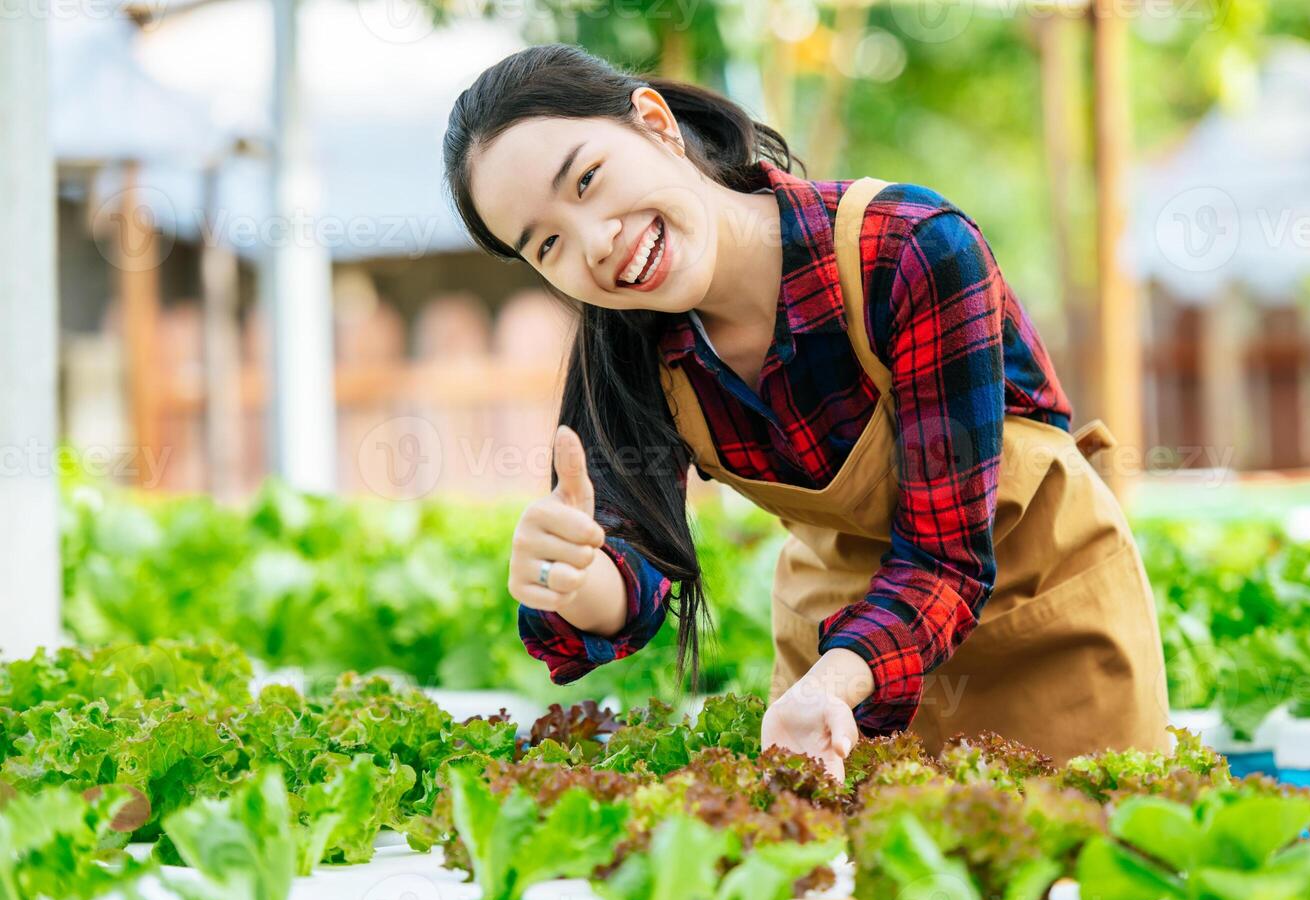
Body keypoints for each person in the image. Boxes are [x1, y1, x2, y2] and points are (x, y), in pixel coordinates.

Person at [444, 43, 1170, 779]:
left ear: (655, 123)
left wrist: (833, 682)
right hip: (832, 671)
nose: (595, 242)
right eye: (548, 244)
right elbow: (634, 569)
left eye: (588, 180)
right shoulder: (630, 349)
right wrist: (574, 577)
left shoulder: (912, 248)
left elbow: (944, 558)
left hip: (1038, 621)